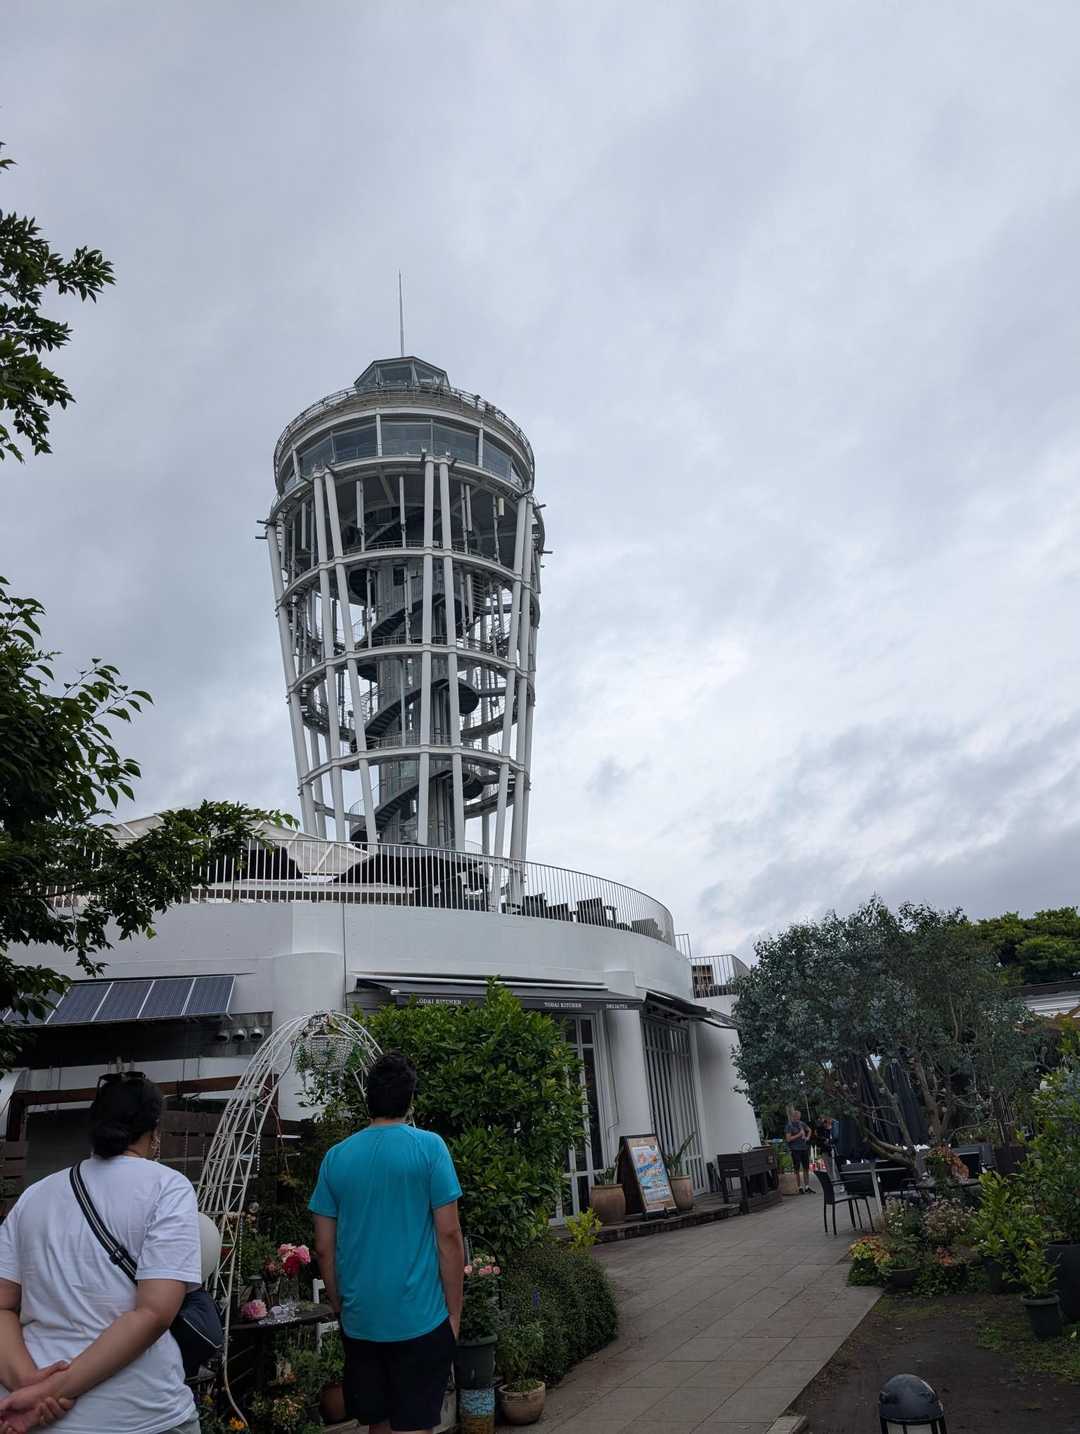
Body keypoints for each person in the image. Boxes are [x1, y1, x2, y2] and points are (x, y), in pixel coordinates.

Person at [0, 1072, 202, 1434]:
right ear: (154, 1131)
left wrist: (29, 1385)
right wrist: (49, 1392)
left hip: (33, 1417)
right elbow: (154, 1312)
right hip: (140, 1414)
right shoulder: (168, 1187)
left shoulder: (35, 1195)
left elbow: (1, 1305)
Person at [310, 1051, 465, 1434]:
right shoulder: (430, 1148)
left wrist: (339, 1305)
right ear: (410, 1099)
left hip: (361, 1320)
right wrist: (454, 1314)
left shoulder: (335, 1159)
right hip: (421, 1318)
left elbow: (324, 1248)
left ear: (369, 1097)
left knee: (377, 1424)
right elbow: (449, 1236)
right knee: (413, 1426)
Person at [784, 1108, 813, 1193]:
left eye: (799, 1117)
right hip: (795, 1149)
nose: (798, 1119)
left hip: (804, 1148)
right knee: (797, 1169)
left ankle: (807, 1187)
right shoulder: (789, 1126)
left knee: (806, 1168)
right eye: (797, 1117)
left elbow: (809, 1130)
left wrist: (807, 1137)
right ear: (793, 1116)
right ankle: (799, 1187)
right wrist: (799, 1134)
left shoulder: (801, 1123)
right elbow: (788, 1139)